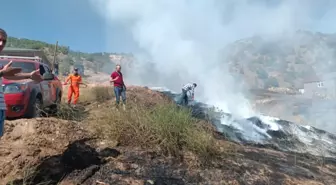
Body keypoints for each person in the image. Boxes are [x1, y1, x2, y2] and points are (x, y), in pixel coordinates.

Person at [0, 28, 43, 138]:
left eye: (4, 41)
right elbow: (3, 74)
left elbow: (8, 75)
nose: (1, 44)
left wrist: (29, 75)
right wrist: (2, 72)